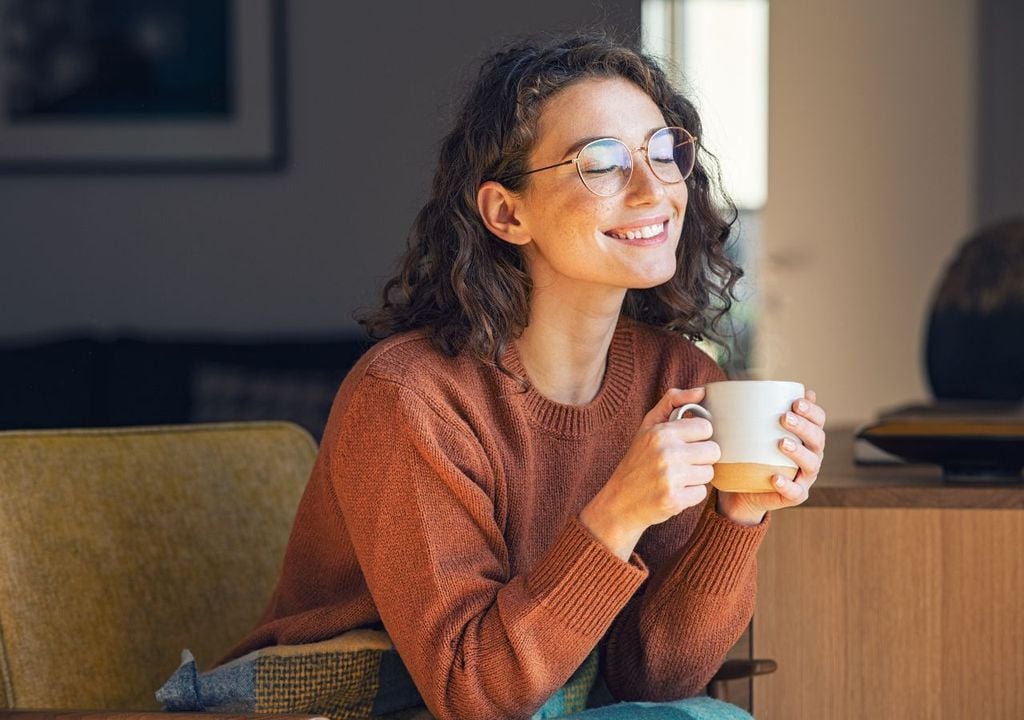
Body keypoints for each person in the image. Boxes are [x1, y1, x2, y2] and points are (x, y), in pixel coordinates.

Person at [220, 33, 827, 719]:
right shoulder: (410, 398)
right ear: (507, 214)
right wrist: (617, 512)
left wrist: (735, 516)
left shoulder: (679, 379)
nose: (652, 187)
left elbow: (652, 679)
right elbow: (470, 692)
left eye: (664, 152)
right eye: (601, 164)